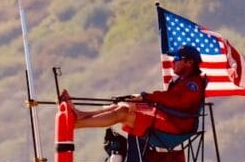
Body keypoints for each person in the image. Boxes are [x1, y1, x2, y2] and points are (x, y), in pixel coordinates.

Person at [66, 44, 206, 137]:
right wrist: (138, 100)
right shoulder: (182, 81)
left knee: (123, 113)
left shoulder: (194, 84)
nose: (173, 62)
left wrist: (146, 97)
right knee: (122, 105)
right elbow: (168, 100)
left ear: (189, 62)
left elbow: (177, 102)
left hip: (176, 125)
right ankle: (79, 115)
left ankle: (76, 124)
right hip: (167, 118)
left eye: (176, 58)